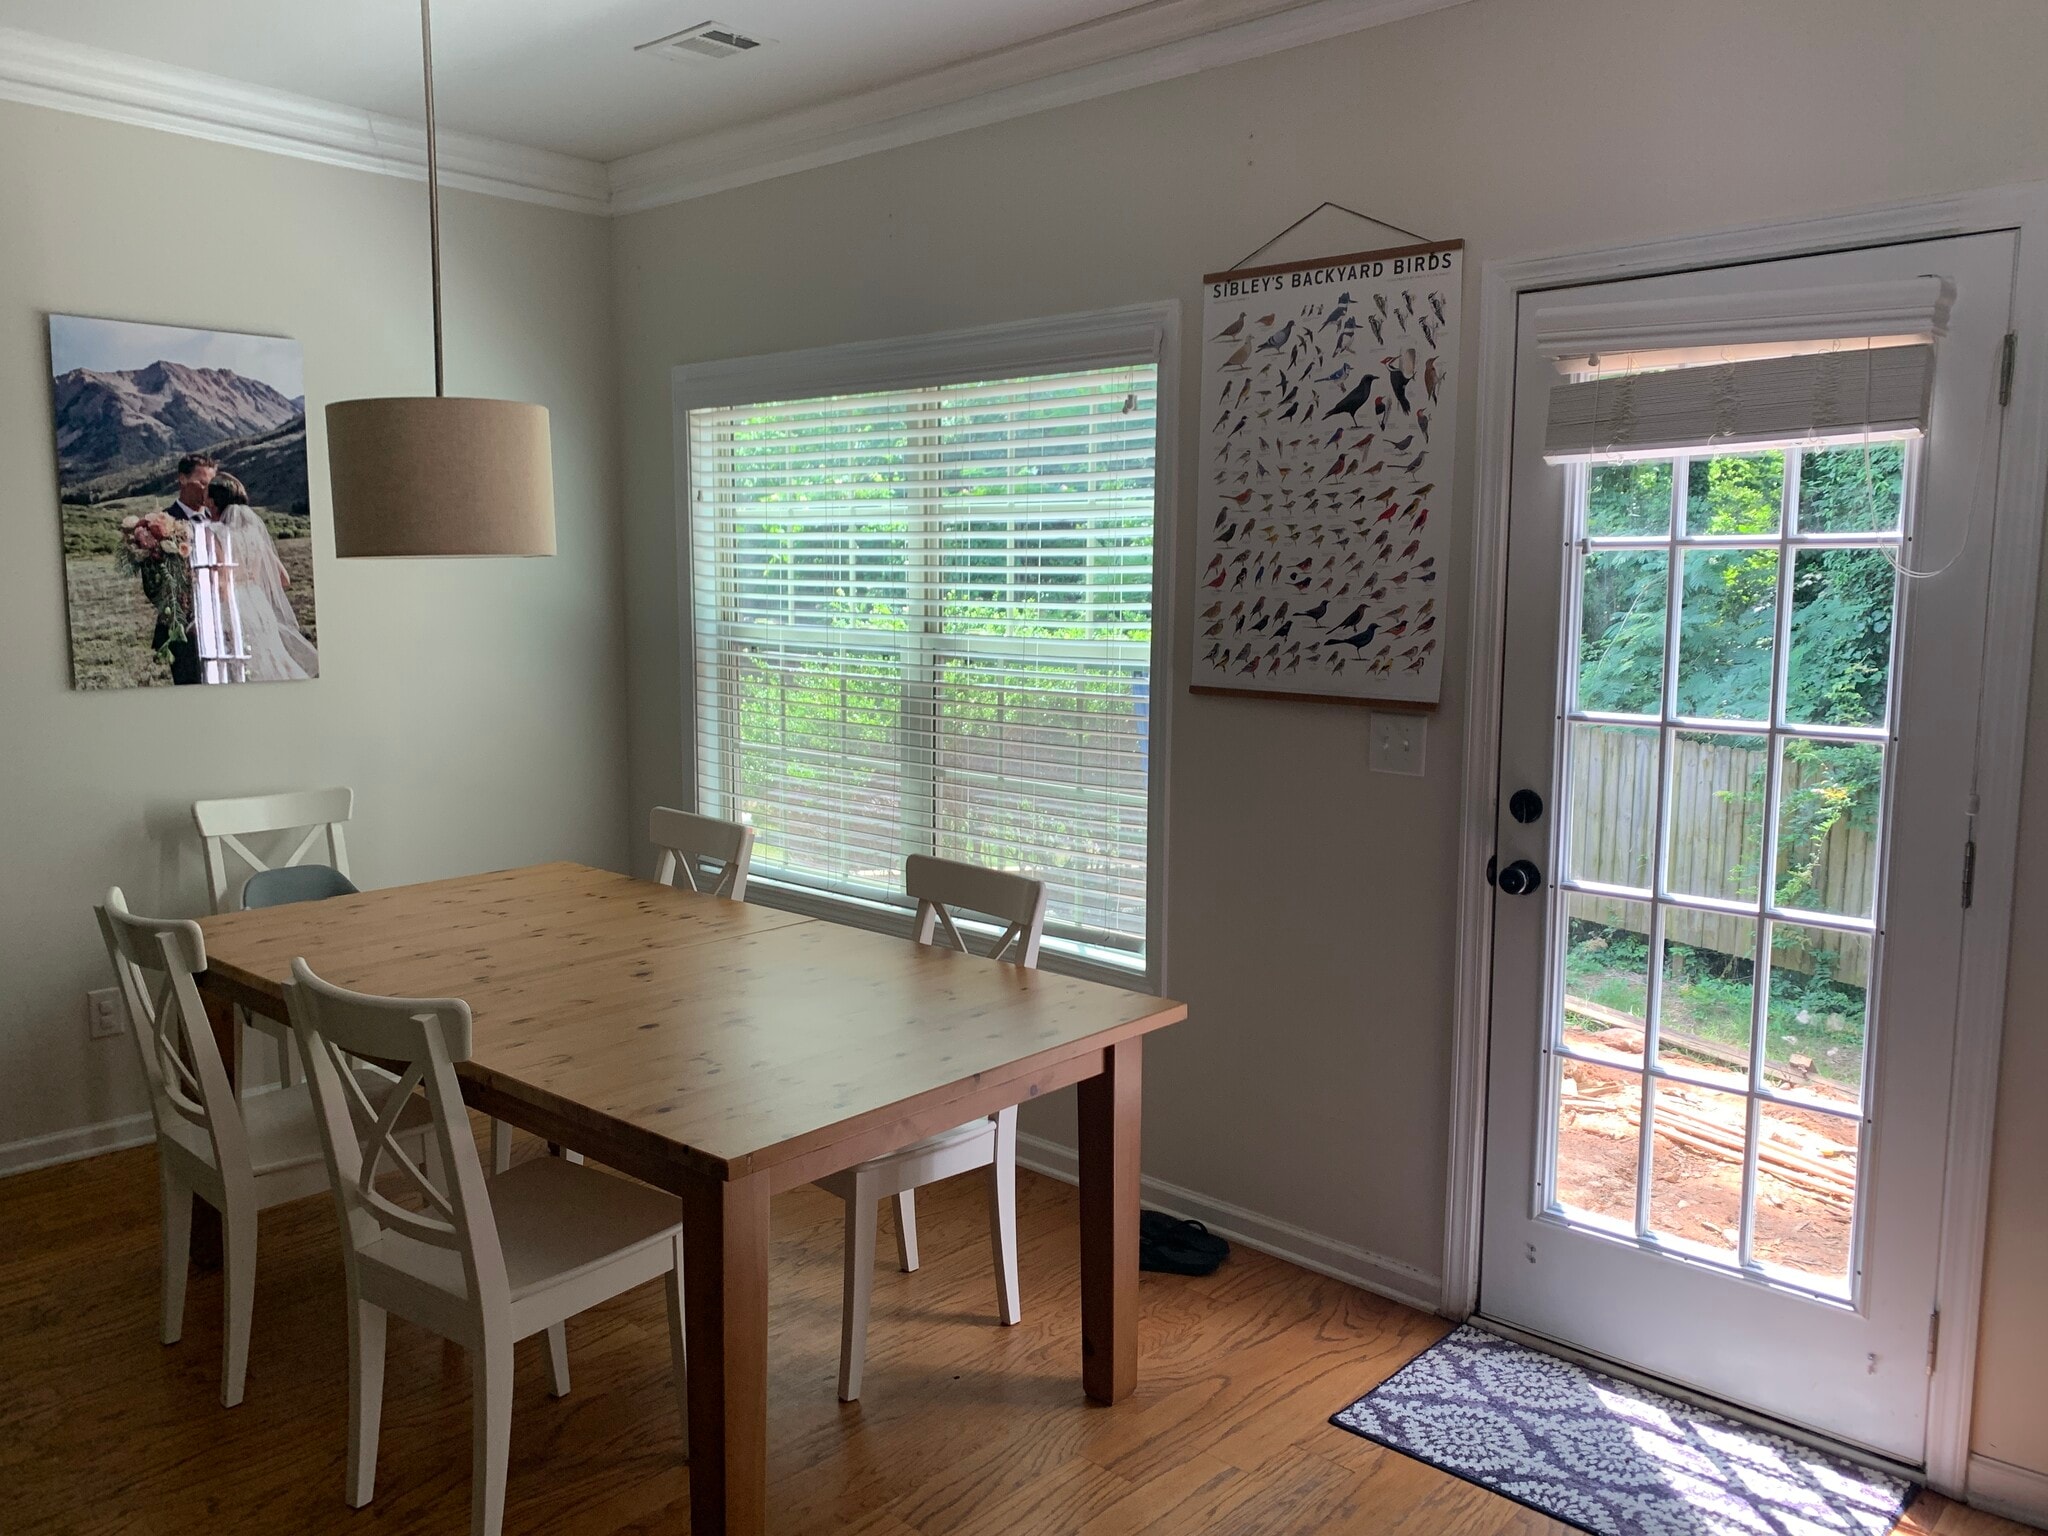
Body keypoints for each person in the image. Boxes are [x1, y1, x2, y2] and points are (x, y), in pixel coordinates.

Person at [206, 472, 319, 681]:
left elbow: (222, 584)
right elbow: (283, 578)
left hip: (234, 608)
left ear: (212, 503)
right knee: (271, 664)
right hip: (259, 607)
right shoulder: (255, 534)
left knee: (242, 671)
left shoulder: (215, 533)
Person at [153, 453, 214, 684]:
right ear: (182, 479)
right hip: (183, 631)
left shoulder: (218, 518)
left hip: (219, 625)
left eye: (210, 484)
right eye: (201, 482)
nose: (206, 490)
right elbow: (154, 583)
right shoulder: (162, 523)